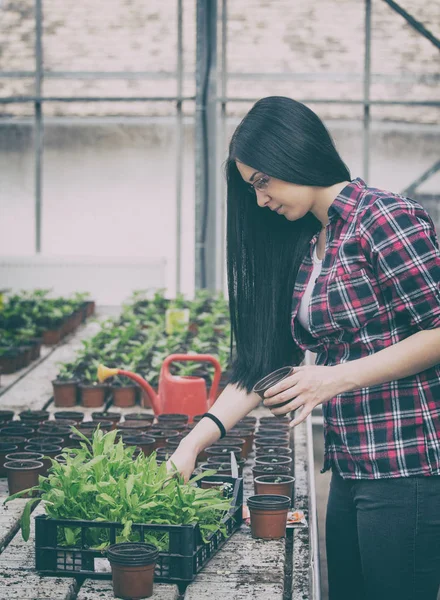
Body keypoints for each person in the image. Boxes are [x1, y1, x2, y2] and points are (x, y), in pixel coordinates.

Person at [168, 96, 440, 600]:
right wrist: (192, 444)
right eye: (252, 188)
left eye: (261, 181)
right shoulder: (312, 243)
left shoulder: (384, 218)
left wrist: (335, 377)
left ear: (294, 153)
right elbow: (267, 364)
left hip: (409, 467)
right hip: (353, 464)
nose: (259, 200)